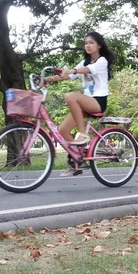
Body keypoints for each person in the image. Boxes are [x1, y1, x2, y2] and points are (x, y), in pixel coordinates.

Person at [45, 31, 115, 176]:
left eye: (91, 43)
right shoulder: (84, 62)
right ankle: (77, 160)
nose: (87, 46)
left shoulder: (102, 61)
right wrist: (47, 79)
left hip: (98, 101)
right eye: (86, 43)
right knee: (62, 130)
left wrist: (73, 70)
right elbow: (69, 75)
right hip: (86, 102)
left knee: (71, 96)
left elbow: (86, 70)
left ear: (99, 45)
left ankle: (83, 134)